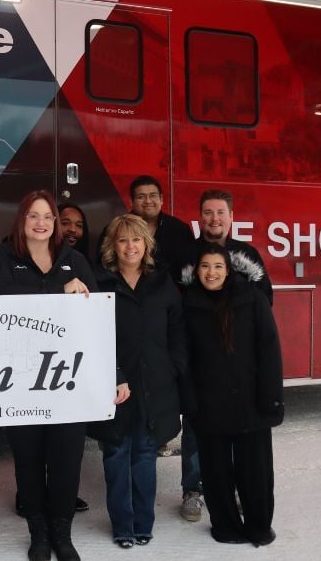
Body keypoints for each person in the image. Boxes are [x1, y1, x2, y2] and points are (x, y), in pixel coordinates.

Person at [0, 190, 96, 561]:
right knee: (29, 460)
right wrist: (58, 291)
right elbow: (1, 298)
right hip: (21, 379)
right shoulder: (3, 257)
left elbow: (97, 318)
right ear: (22, 220)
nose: (41, 223)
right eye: (33, 215)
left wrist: (112, 371)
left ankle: (62, 533)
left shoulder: (75, 260)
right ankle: (38, 533)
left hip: (68, 379)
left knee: (66, 461)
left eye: (48, 216)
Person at [91, 215, 187, 549]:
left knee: (146, 454)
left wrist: (173, 368)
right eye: (122, 240)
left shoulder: (162, 282)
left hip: (154, 386)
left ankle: (143, 523)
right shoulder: (99, 282)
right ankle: (123, 526)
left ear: (146, 244)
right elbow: (90, 336)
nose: (130, 247)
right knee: (116, 453)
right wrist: (112, 375)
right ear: (112, 246)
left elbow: (178, 329)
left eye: (136, 239)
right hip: (114, 385)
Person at [183, 243, 283, 547]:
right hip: (208, 404)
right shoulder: (188, 303)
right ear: (196, 271)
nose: (211, 273)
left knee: (255, 470)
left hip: (250, 401)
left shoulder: (252, 298)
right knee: (215, 472)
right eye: (205, 266)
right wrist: (190, 401)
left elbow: (269, 348)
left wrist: (271, 397)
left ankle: (259, 526)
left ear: (228, 270)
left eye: (218, 266)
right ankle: (225, 526)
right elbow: (183, 358)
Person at [186, 189, 273, 305]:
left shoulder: (248, 254)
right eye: (208, 212)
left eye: (221, 212)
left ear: (231, 216)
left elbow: (265, 300)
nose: (215, 218)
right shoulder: (185, 254)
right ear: (201, 216)